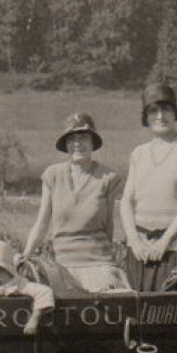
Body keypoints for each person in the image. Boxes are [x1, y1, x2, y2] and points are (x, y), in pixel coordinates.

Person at [21, 112, 131, 293]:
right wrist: (26, 254)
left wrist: (108, 264)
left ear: (93, 142)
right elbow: (41, 223)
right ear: (66, 144)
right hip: (63, 265)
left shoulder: (108, 177)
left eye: (84, 137)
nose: (78, 143)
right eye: (72, 138)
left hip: (98, 264)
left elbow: (109, 224)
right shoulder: (53, 175)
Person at [118, 83, 177, 292]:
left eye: (166, 109)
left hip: (175, 251)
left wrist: (164, 242)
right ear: (146, 117)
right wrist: (134, 241)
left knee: (173, 317)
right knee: (138, 319)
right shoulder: (138, 153)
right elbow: (126, 201)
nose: (160, 116)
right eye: (153, 110)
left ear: (175, 113)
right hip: (139, 253)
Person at [0, 239, 55, 337]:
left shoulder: (18, 284)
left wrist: (34, 318)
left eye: (0, 271)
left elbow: (45, 291)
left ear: (9, 271)